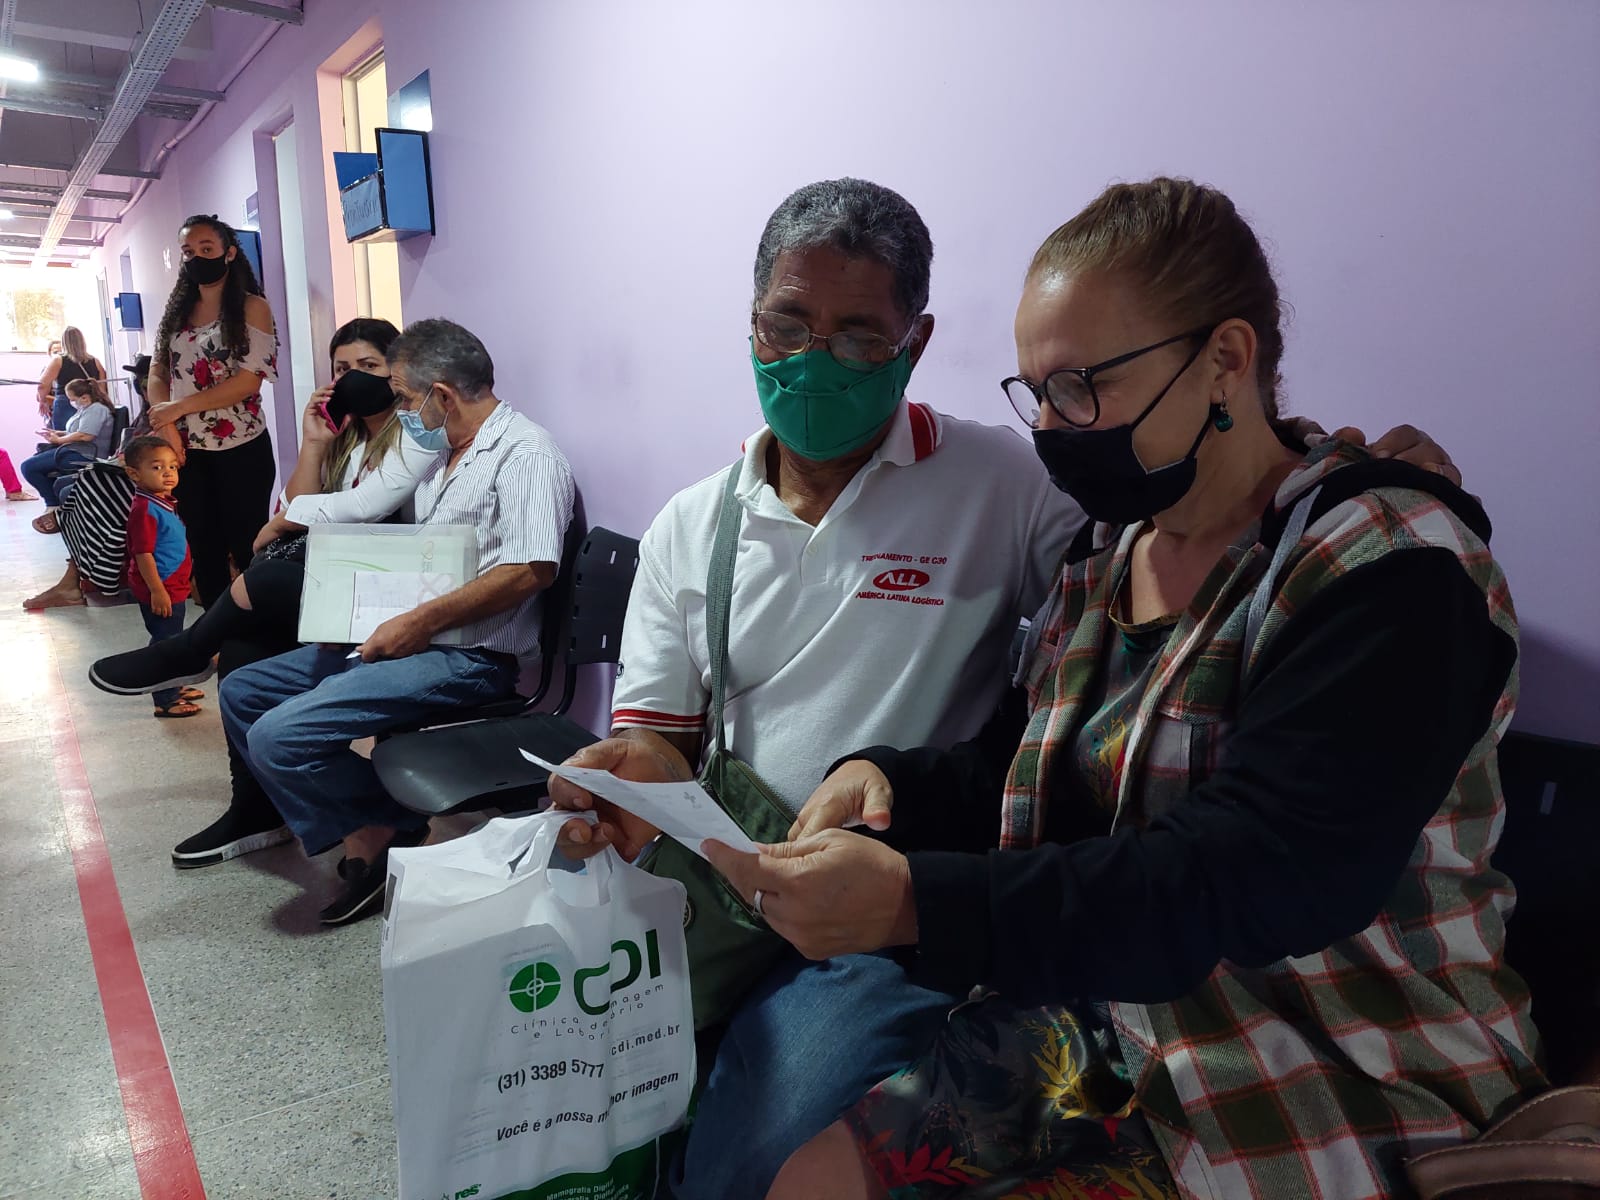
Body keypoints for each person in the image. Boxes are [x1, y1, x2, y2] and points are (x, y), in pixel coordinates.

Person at [548, 178, 1469, 1200]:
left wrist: (920, 901)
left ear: (1225, 359)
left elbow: (1259, 868)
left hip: (1305, 1039)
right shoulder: (1109, 555)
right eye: (1036, 392)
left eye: (1081, 386)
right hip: (1093, 1003)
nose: (1054, 430)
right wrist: (887, 777)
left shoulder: (1382, 567)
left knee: (764, 1155)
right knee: (767, 1164)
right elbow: (1029, 755)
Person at [218, 318, 575, 924]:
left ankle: (388, 828)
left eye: (406, 398)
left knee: (278, 737)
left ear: (442, 395)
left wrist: (416, 623)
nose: (401, 411)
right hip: (418, 637)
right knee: (242, 690)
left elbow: (530, 570)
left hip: (470, 657)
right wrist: (352, 613)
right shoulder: (442, 453)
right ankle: (379, 823)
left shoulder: (526, 455)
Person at [87, 318, 443, 869]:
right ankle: (256, 807)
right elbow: (296, 503)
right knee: (243, 645)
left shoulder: (417, 434)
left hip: (392, 592)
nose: (353, 378)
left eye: (369, 366)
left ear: (397, 372)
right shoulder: (347, 440)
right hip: (341, 584)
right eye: (342, 368)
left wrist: (283, 523)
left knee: (269, 576)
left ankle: (188, 650)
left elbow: (355, 509)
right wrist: (315, 443)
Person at [147, 213, 278, 605]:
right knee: (203, 548)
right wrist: (166, 425)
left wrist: (178, 408)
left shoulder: (252, 307)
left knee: (247, 545)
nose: (196, 258)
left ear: (229, 253)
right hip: (187, 450)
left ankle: (258, 627)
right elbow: (157, 372)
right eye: (188, 251)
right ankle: (217, 631)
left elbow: (248, 381)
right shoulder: (176, 313)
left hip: (241, 446)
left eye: (206, 249)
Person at [23, 358, 153, 610]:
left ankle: (63, 524)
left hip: (141, 478)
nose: (143, 387)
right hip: (128, 469)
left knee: (80, 487)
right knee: (74, 485)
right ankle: (71, 567)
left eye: (145, 381)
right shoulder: (146, 414)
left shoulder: (163, 417)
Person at [121, 436, 199, 718]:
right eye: (157, 467)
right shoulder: (145, 510)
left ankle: (174, 685)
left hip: (172, 585)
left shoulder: (163, 501)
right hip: (161, 587)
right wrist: (157, 590)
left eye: (172, 466)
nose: (168, 473)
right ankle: (165, 698)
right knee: (166, 643)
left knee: (172, 638)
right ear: (134, 474)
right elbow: (143, 554)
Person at [22, 378, 117, 533]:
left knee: (28, 467)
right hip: (74, 450)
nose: (71, 402)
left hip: (84, 454)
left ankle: (53, 505)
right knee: (32, 464)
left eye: (72, 399)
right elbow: (77, 431)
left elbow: (85, 435)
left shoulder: (96, 410)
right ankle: (55, 505)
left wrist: (59, 440)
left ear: (84, 397)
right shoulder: (86, 409)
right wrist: (58, 433)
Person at [36, 326, 105, 434]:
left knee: (63, 439)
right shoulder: (95, 361)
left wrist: (42, 401)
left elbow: (42, 385)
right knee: (88, 437)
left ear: (64, 342)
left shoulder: (58, 360)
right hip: (92, 406)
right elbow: (102, 389)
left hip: (66, 404)